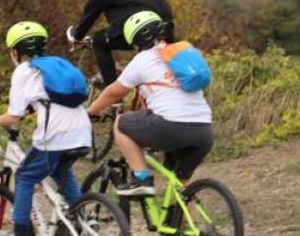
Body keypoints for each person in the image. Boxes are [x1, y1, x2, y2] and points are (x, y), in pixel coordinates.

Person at [0, 22, 92, 236]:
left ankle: (22, 232)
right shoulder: (56, 64)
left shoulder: (23, 70)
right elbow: (45, 100)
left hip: (56, 135)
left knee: (24, 176)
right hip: (82, 131)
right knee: (60, 171)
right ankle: (81, 220)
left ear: (15, 52)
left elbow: (14, 115)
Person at [86, 11, 213, 197]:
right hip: (204, 130)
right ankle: (185, 215)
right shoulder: (179, 55)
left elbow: (114, 92)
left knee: (120, 124)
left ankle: (142, 179)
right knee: (181, 187)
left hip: (171, 126)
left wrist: (92, 111)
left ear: (135, 41)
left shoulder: (142, 59)